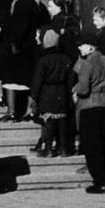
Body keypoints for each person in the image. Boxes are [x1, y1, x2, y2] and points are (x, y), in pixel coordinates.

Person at [74, 35, 105, 194]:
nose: (79, 48)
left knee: (93, 147)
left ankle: (101, 183)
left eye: (82, 45)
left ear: (91, 47)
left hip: (89, 107)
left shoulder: (87, 64)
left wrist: (76, 90)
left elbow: (83, 89)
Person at [0, 0, 40, 122]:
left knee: (12, 79)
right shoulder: (30, 0)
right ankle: (24, 111)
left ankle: (14, 111)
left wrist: (14, 41)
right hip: (24, 46)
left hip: (19, 47)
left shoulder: (24, 1)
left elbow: (22, 24)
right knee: (21, 80)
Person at [29, 28, 74, 157]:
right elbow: (70, 80)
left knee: (49, 122)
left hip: (47, 93)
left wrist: (34, 96)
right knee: (62, 122)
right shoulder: (66, 59)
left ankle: (48, 148)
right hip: (62, 93)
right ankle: (64, 148)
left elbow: (38, 81)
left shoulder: (43, 60)